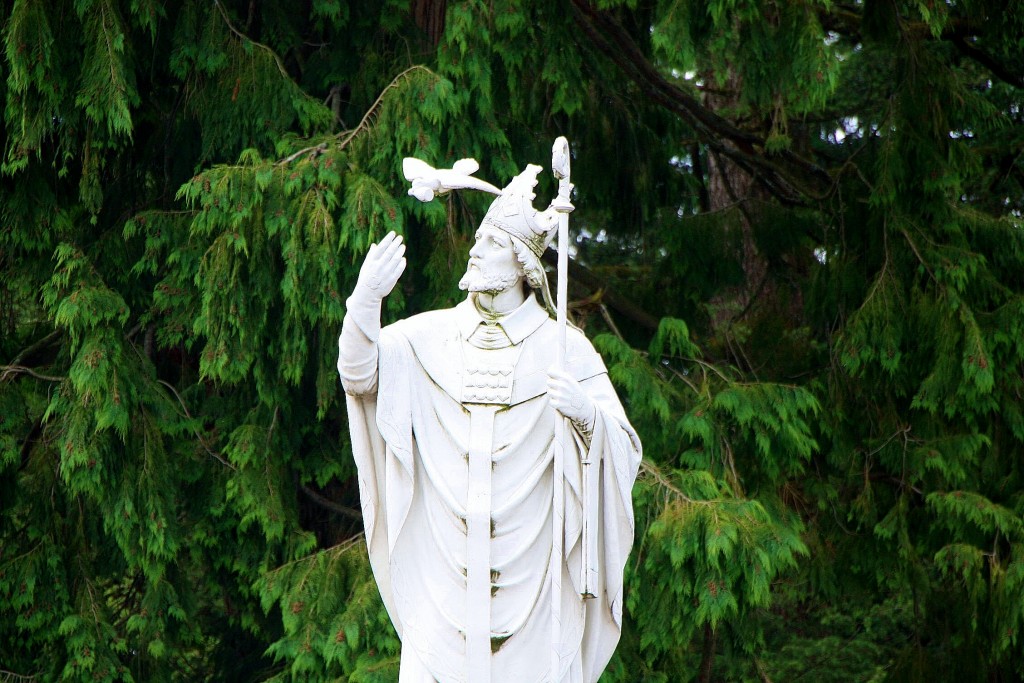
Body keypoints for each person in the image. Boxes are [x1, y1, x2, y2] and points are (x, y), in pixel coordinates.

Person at [338, 163, 641, 683]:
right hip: (441, 595)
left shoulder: (564, 350)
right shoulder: (426, 337)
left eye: (492, 242)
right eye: (477, 239)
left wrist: (587, 415)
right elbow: (359, 373)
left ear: (524, 263)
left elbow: (624, 451)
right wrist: (365, 301)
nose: (475, 251)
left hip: (535, 603)